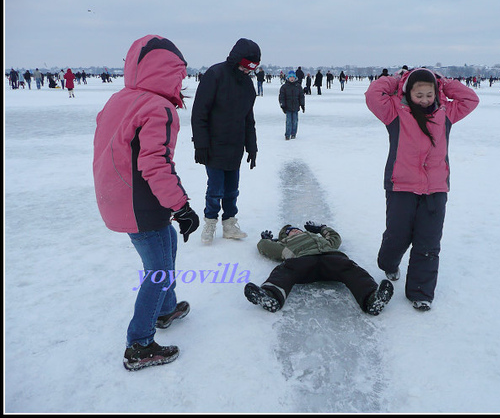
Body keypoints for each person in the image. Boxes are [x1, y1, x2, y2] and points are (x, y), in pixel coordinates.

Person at [93, 34, 200, 371]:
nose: (182, 82)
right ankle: (139, 343)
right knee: (158, 271)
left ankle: (166, 309)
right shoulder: (158, 107)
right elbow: (155, 164)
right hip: (140, 203)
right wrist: (181, 207)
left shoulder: (120, 99)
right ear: (167, 73)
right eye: (180, 75)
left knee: (166, 243)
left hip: (119, 198)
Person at [365, 68, 479, 311]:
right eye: (419, 95)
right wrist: (397, 79)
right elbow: (373, 94)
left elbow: (471, 98)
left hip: (435, 188)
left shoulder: (446, 112)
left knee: (428, 242)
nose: (425, 100)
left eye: (429, 94)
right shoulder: (394, 111)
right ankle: (389, 263)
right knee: (398, 235)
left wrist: (444, 83)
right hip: (401, 186)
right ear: (409, 92)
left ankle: (420, 292)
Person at [191, 38, 260, 243]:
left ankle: (229, 224)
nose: (248, 72)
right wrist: (200, 144)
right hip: (213, 146)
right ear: (236, 60)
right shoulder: (215, 75)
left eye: (251, 69)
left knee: (232, 190)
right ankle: (210, 223)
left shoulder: (247, 84)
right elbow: (199, 113)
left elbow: (248, 119)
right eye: (245, 67)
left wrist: (252, 147)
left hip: (235, 146)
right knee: (215, 189)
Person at [245, 222, 394, 315]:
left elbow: (335, 238)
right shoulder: (285, 244)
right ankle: (270, 296)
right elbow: (265, 247)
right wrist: (266, 240)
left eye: (296, 229)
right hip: (302, 261)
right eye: (290, 231)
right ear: (285, 236)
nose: (295, 231)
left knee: (351, 269)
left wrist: (322, 228)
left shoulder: (321, 240)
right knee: (284, 270)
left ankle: (372, 298)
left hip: (331, 258)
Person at [279, 70, 305, 140]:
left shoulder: (298, 86)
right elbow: (281, 97)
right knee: (289, 121)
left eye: (293, 77)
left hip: (296, 107)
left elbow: (301, 96)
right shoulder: (284, 87)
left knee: (295, 121)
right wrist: (283, 105)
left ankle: (293, 134)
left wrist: (302, 105)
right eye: (291, 77)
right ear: (288, 78)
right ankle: (287, 134)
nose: (292, 78)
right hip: (288, 107)